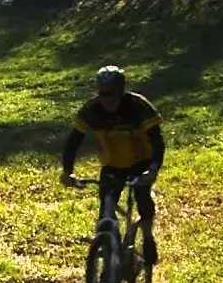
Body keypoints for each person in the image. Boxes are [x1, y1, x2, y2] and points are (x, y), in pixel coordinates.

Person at [61, 65, 165, 268]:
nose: (107, 101)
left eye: (111, 95)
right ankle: (110, 260)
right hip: (112, 165)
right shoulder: (92, 110)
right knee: (106, 213)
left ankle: (147, 236)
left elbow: (157, 140)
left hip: (140, 162)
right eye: (102, 95)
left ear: (121, 91)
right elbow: (73, 141)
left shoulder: (138, 106)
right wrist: (67, 171)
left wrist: (153, 169)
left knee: (142, 197)